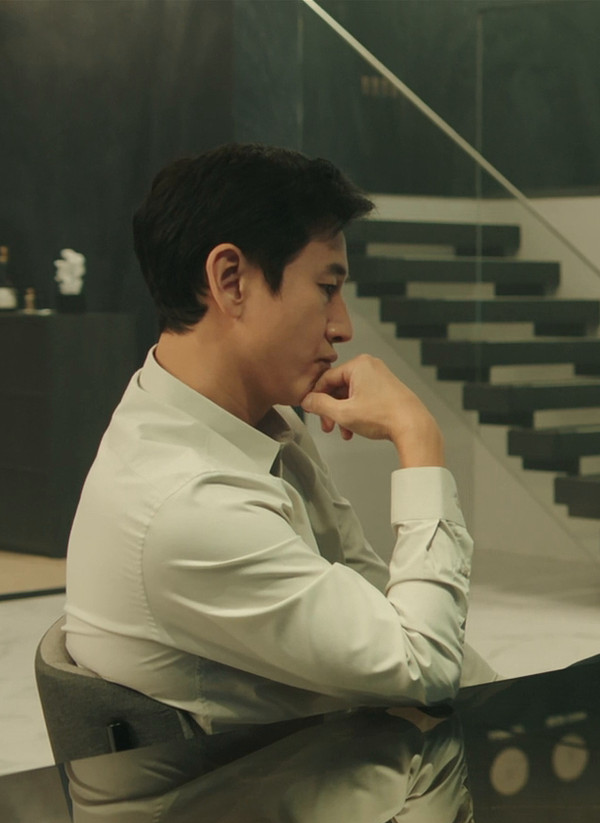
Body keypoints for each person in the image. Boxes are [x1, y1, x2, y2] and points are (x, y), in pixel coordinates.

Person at [64, 143, 495, 737]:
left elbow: (374, 598)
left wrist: (505, 710)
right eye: (326, 288)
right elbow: (424, 668)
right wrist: (418, 439)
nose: (343, 326)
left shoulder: (246, 423)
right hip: (288, 787)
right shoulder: (187, 503)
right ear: (231, 281)